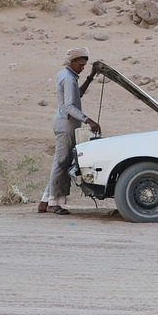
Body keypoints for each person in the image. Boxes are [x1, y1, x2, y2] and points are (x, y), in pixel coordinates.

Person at [38, 47, 102, 215]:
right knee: (61, 163)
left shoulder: (68, 76)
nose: (82, 67)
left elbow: (76, 95)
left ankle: (45, 201)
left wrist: (90, 76)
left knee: (61, 163)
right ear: (72, 62)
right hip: (65, 125)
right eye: (80, 64)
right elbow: (69, 106)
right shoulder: (67, 77)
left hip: (66, 125)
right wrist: (88, 120)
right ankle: (53, 203)